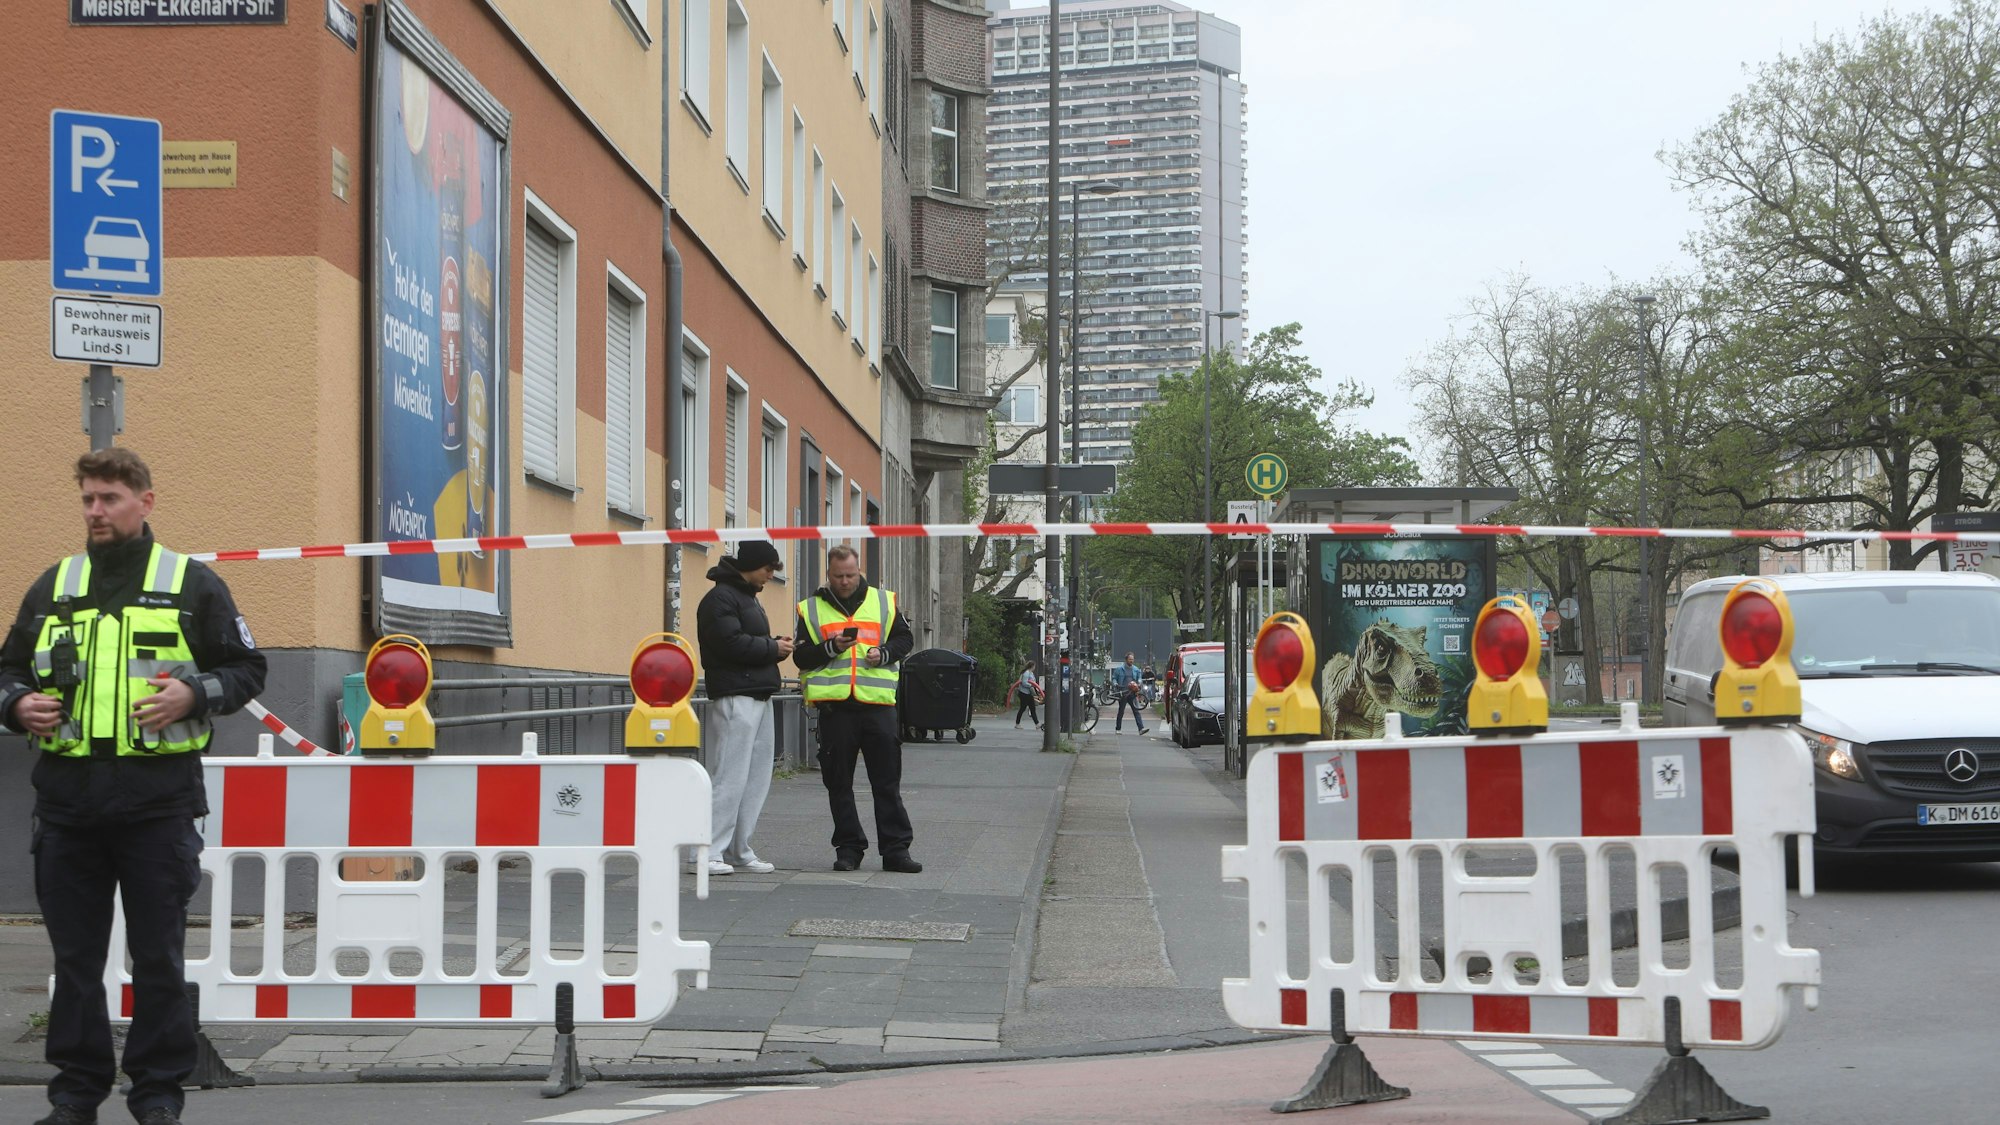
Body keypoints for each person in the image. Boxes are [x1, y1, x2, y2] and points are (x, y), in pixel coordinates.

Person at [0, 449, 267, 1125]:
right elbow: (5, 673)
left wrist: (193, 691)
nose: (95, 511)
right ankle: (75, 1094)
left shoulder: (189, 583)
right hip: (68, 807)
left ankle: (156, 1095)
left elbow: (246, 667)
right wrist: (15, 706)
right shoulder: (54, 585)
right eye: (88, 499)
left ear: (145, 502)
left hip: (157, 804)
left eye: (109, 498)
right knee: (76, 962)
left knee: (158, 957)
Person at [792, 545, 921, 873]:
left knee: (887, 783)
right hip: (836, 710)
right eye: (838, 576)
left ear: (859, 569)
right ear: (829, 574)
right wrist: (831, 647)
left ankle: (895, 851)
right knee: (838, 783)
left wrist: (884, 653)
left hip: (878, 708)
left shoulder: (884, 602)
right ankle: (849, 849)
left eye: (850, 575)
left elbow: (905, 641)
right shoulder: (811, 608)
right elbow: (801, 657)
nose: (845, 581)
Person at [694, 538, 793, 877]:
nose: (770, 576)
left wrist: (772, 645)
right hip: (737, 696)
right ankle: (705, 852)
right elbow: (728, 643)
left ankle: (738, 849)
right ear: (750, 565)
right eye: (768, 569)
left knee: (754, 778)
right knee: (729, 776)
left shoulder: (743, 597)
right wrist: (772, 647)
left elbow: (737, 640)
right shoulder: (721, 598)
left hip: (756, 693)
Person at [1111, 651, 1148, 734]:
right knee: (1121, 711)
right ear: (1126, 660)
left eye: (1132, 659)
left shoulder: (1136, 669)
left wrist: (1138, 683)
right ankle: (1118, 729)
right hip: (1123, 693)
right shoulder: (1119, 669)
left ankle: (1141, 729)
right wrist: (1115, 684)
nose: (1131, 661)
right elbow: (1114, 678)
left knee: (1136, 710)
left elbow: (1139, 678)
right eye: (1130, 659)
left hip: (1132, 693)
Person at [1012, 659, 1043, 729]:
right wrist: (1031, 685)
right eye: (1034, 666)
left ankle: (1037, 724)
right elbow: (1024, 682)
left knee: (1032, 708)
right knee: (1023, 708)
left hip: (1029, 694)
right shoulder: (1026, 673)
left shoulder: (1030, 673)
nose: (1035, 667)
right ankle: (1017, 724)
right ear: (1032, 666)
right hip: (1024, 693)